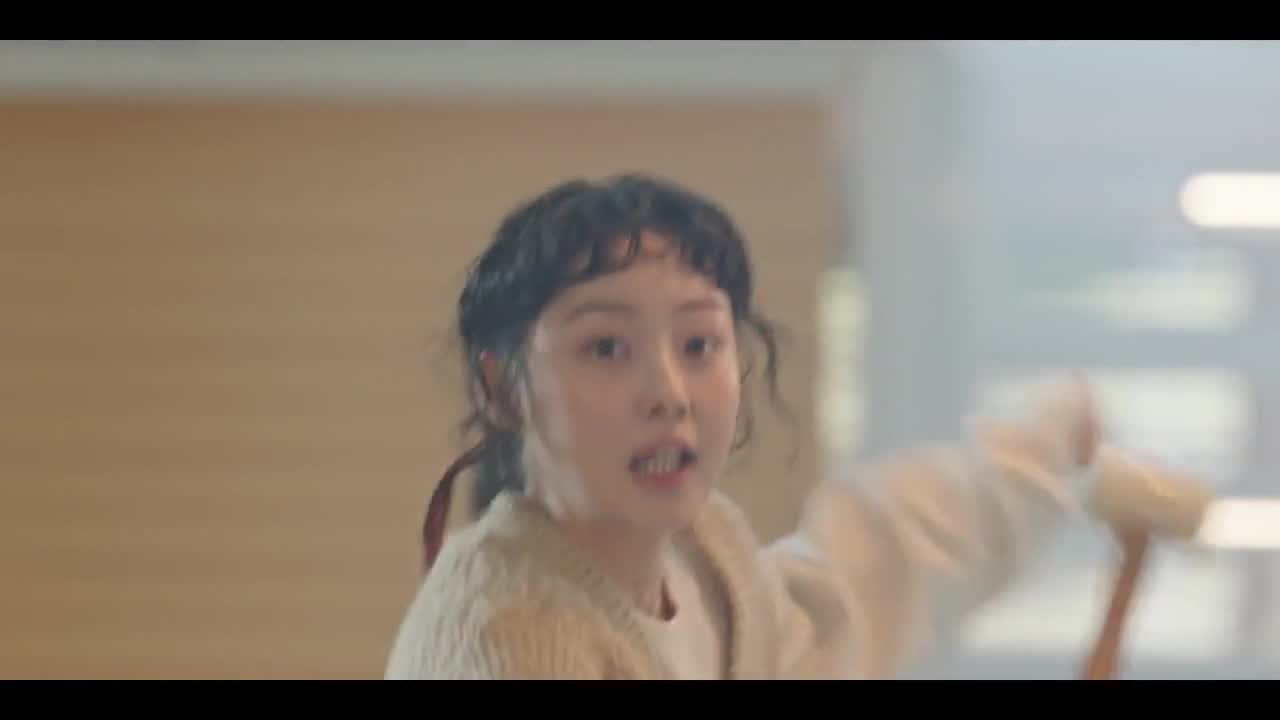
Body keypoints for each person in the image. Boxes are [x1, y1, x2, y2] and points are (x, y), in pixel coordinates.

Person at [384, 173, 1176, 680]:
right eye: (606, 348)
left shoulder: (704, 556)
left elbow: (859, 583)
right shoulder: (505, 644)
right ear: (502, 387)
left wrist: (1035, 457)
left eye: (699, 344)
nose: (668, 393)